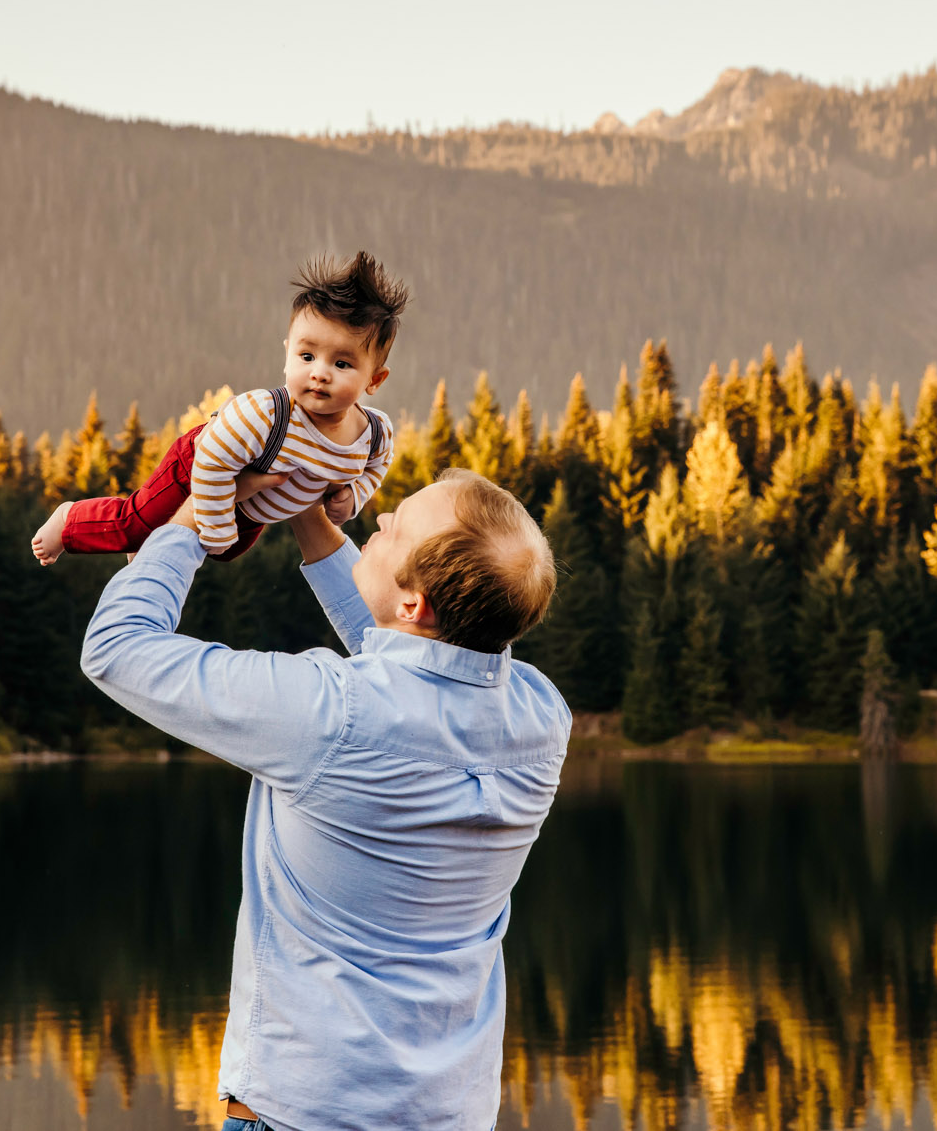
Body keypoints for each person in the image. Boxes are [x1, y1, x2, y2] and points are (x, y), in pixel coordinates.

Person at [78, 465, 569, 1131]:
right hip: (447, 1113)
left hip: (301, 1113)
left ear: (416, 603)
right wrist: (309, 518)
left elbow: (115, 648)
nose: (383, 520)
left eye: (397, 529)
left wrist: (188, 522)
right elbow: (405, 656)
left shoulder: (328, 711)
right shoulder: (541, 717)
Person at [31, 251, 409, 565]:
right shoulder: (266, 414)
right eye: (307, 356)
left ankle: (153, 539)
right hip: (203, 462)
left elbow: (378, 465)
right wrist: (215, 522)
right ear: (287, 354)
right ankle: (69, 521)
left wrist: (354, 495)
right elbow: (212, 461)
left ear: (374, 380)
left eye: (342, 364)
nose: (320, 374)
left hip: (254, 504)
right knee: (135, 522)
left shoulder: (373, 433)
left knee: (228, 551)